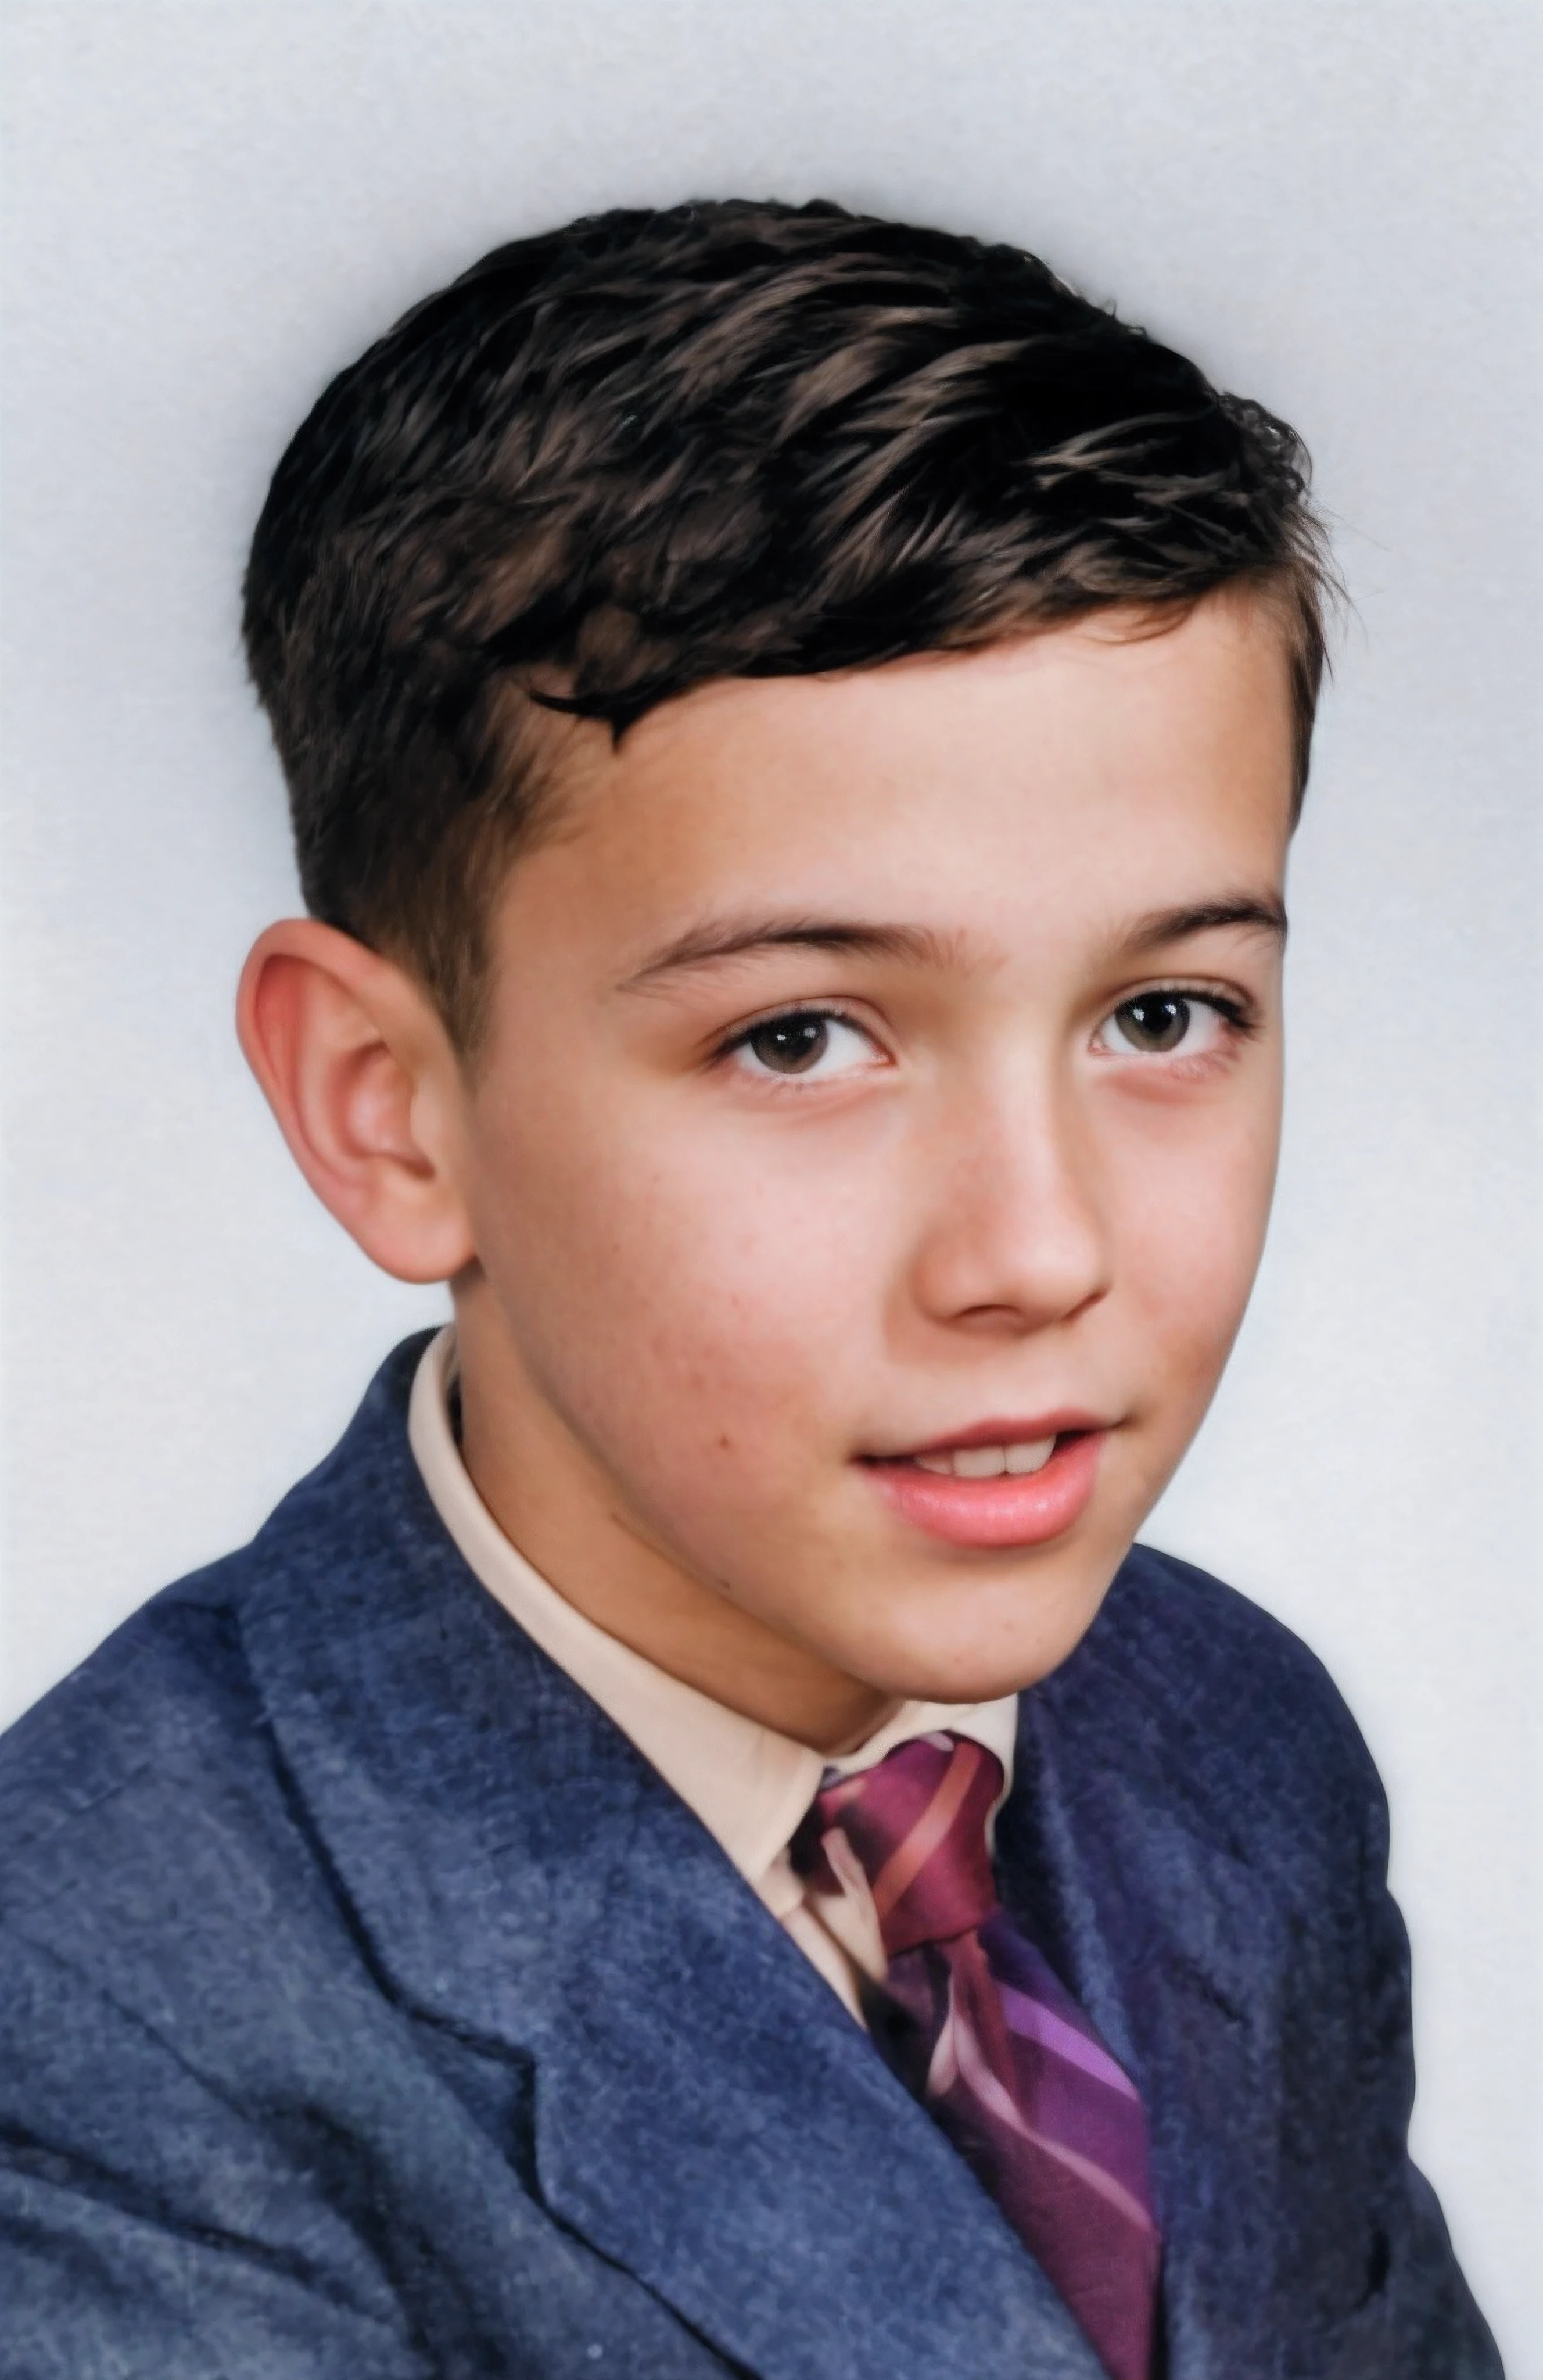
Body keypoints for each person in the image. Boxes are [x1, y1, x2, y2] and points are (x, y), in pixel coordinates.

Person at [0, 200, 1501, 2380]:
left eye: (1165, 1015)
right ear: (391, 1108)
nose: (1042, 1254)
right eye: (801, 1038)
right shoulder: (97, 2027)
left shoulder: (1230, 1738)